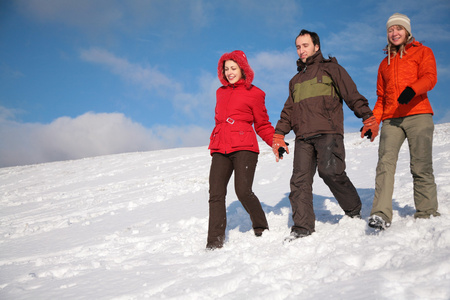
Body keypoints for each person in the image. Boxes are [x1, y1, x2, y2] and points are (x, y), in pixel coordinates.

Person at [272, 29, 378, 241]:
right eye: (298, 47)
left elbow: (351, 94)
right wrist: (278, 135)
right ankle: (302, 228)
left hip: (328, 132)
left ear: (316, 46)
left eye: (305, 45)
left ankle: (353, 208)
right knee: (299, 181)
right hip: (303, 137)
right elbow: (288, 111)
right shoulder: (295, 80)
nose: (301, 50)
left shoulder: (332, 69)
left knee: (330, 172)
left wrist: (367, 117)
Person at [368, 13, 440, 230]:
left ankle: (427, 211)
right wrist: (372, 124)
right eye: (390, 30)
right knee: (385, 165)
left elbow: (430, 77)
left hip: (418, 114)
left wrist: (413, 90)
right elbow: (381, 98)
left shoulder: (423, 52)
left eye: (398, 29)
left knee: (420, 165)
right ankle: (380, 214)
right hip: (391, 119)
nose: (394, 33)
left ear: (407, 31)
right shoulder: (384, 64)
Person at [206, 50, 275, 250]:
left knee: (243, 191)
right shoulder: (220, 92)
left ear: (243, 69)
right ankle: (214, 242)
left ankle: (260, 224)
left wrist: (275, 142)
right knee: (216, 193)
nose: (229, 72)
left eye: (233, 68)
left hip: (245, 146)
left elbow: (262, 124)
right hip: (220, 147)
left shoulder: (255, 93)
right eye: (226, 69)